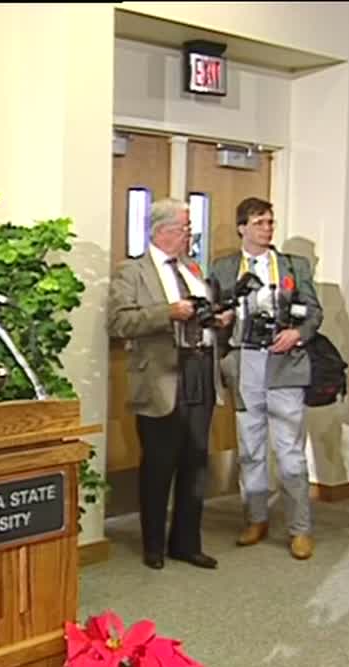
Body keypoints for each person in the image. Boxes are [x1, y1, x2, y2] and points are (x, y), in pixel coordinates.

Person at [106, 198, 232, 571]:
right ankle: (154, 545)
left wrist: (218, 320)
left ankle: (187, 543)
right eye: (184, 229)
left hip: (199, 374)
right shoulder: (132, 272)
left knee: (195, 463)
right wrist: (168, 313)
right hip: (160, 379)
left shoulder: (193, 271)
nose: (189, 235)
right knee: (159, 464)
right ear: (163, 231)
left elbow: (203, 315)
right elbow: (118, 322)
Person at [209, 197, 323, 560]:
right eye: (259, 222)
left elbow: (313, 313)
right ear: (242, 227)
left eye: (271, 222)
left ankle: (300, 528)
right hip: (245, 363)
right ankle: (255, 518)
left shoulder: (293, 265)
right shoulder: (225, 267)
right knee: (251, 449)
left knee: (290, 452)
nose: (267, 228)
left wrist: (298, 334)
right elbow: (214, 312)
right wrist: (221, 320)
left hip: (284, 362)